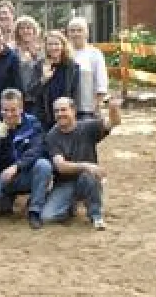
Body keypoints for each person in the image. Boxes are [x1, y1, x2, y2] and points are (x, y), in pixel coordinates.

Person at [0, 89, 53, 229]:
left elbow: (37, 150)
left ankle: (35, 210)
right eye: (5, 110)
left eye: (13, 110)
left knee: (44, 165)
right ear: (0, 108)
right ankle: (6, 202)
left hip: (25, 172)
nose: (9, 114)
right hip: (0, 174)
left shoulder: (32, 123)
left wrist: (17, 166)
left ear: (21, 108)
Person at [42, 96, 122, 229]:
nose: (60, 114)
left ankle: (96, 216)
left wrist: (113, 108)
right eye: (56, 111)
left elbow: (114, 122)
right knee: (47, 217)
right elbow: (61, 167)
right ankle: (72, 205)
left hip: (87, 179)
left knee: (88, 177)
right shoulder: (51, 136)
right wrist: (87, 165)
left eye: (63, 110)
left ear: (73, 111)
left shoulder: (88, 126)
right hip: (64, 183)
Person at [35, 30, 80, 130]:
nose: (53, 47)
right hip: (45, 117)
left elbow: (75, 94)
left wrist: (73, 115)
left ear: (63, 46)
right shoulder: (39, 65)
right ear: (45, 47)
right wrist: (44, 79)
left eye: (56, 44)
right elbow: (32, 92)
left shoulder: (72, 67)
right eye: (50, 44)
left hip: (65, 116)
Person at [67, 16, 109, 121]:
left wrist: (97, 105)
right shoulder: (64, 53)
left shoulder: (94, 53)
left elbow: (101, 82)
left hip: (87, 109)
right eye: (72, 31)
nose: (76, 34)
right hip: (65, 108)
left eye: (79, 30)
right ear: (68, 33)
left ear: (86, 33)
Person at [14, 15, 44, 96]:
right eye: (22, 28)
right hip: (18, 96)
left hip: (38, 95)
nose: (25, 31)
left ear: (34, 30)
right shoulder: (13, 52)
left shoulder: (42, 51)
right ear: (17, 31)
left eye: (28, 28)